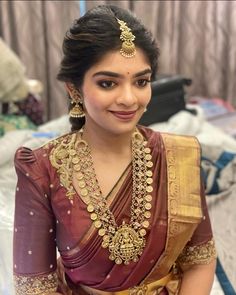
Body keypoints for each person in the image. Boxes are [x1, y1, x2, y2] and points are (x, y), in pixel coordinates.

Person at [13, 4, 217, 295]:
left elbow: (199, 260)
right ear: (74, 89)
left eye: (141, 81)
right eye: (108, 83)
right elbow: (34, 287)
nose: (129, 99)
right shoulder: (42, 169)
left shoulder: (177, 157)